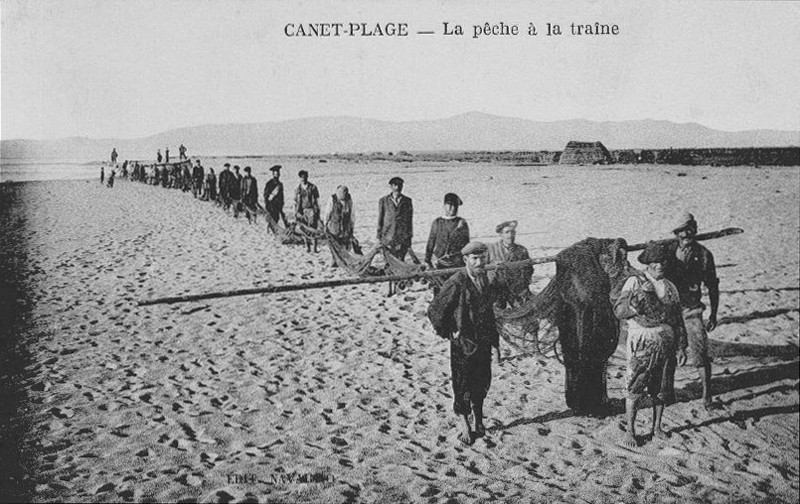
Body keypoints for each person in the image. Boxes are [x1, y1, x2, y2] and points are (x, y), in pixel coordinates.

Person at [428, 242, 502, 446]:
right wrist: (450, 331)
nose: (480, 262)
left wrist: (495, 343)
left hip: (483, 341)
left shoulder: (484, 280)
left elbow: (489, 315)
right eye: (475, 259)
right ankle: (464, 426)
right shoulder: (457, 282)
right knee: (462, 384)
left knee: (482, 381)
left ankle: (478, 420)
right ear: (465, 260)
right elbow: (435, 310)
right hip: (464, 344)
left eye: (483, 258)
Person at [614, 241, 687, 448]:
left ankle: (656, 427)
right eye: (655, 262)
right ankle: (630, 430)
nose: (660, 266)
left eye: (663, 262)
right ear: (647, 264)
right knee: (635, 385)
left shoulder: (671, 288)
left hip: (666, 341)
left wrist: (681, 346)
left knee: (662, 387)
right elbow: (619, 310)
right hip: (641, 341)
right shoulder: (634, 282)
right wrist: (638, 299)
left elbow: (677, 319)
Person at [664, 212, 720, 410]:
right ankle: (668, 392)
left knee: (700, 352)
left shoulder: (704, 255)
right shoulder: (668, 251)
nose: (686, 233)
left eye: (689, 229)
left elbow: (713, 286)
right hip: (670, 311)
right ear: (676, 233)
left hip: (692, 310)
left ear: (695, 229)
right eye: (681, 230)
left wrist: (713, 314)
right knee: (668, 352)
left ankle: (707, 396)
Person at [425, 193, 470, 271]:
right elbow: (431, 242)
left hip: (457, 262)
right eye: (450, 205)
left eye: (455, 206)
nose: (453, 208)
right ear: (444, 206)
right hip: (440, 261)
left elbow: (466, 244)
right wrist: (427, 260)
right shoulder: (437, 222)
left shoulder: (462, 223)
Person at [377, 177, 413, 261]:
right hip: (388, 235)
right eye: (395, 185)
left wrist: (409, 236)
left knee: (400, 259)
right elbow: (380, 219)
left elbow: (409, 220)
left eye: (400, 185)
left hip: (402, 236)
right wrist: (379, 235)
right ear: (391, 186)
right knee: (389, 259)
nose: (398, 187)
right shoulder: (383, 201)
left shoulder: (407, 201)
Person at [323, 185, 356, 264]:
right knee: (334, 244)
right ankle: (334, 260)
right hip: (334, 226)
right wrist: (325, 223)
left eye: (345, 192)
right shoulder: (332, 199)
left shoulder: (349, 200)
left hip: (345, 227)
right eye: (341, 192)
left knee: (344, 244)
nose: (343, 194)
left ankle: (342, 260)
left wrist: (352, 226)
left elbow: (352, 214)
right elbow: (328, 212)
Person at [294, 170, 321, 252]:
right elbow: (295, 202)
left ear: (307, 177)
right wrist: (296, 212)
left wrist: (317, 212)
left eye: (304, 177)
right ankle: (307, 247)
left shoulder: (313, 188)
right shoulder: (298, 189)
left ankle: (315, 248)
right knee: (304, 230)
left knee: (313, 229)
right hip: (302, 211)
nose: (303, 179)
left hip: (311, 210)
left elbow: (317, 200)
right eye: (301, 178)